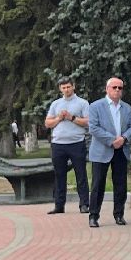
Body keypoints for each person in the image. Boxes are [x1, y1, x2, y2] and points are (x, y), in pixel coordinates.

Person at [86, 77, 131, 228]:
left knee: (120, 184)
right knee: (98, 185)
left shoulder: (126, 107)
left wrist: (124, 138)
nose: (117, 90)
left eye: (120, 88)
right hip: (102, 151)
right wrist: (112, 140)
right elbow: (93, 128)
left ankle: (119, 215)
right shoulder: (96, 106)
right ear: (107, 89)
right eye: (114, 87)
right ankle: (93, 216)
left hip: (121, 150)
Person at [44, 76, 90, 215]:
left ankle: (84, 204)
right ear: (60, 89)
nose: (66, 90)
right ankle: (59, 205)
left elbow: (88, 122)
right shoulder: (56, 104)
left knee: (80, 174)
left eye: (68, 87)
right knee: (59, 175)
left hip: (76, 143)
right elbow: (47, 123)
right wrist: (59, 118)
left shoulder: (82, 103)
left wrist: (72, 118)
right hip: (58, 144)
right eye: (63, 87)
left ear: (73, 86)